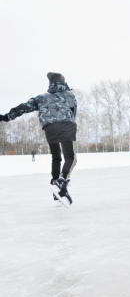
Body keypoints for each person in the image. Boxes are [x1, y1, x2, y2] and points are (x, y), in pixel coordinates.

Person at [0, 72, 77, 205]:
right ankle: (62, 181)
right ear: (63, 83)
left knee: (56, 157)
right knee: (70, 158)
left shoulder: (42, 98)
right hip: (66, 126)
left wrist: (7, 116)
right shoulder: (69, 95)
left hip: (50, 128)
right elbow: (73, 111)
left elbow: (24, 107)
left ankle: (55, 187)